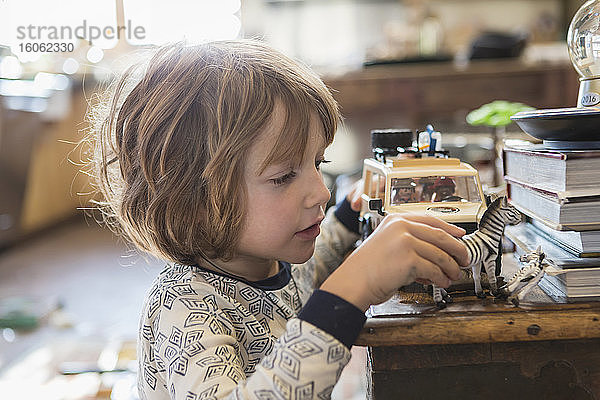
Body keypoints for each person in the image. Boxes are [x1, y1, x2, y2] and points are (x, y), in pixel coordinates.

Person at [87, 40, 468, 400]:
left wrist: (349, 216)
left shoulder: (267, 262)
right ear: (193, 198)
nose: (320, 192)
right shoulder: (183, 306)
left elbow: (309, 272)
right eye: (283, 176)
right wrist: (355, 286)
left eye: (318, 163)